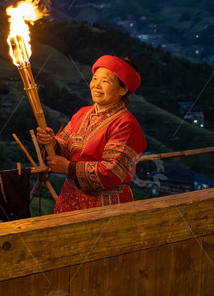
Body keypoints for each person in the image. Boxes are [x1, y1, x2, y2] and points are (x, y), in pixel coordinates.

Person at [36, 55, 146, 213]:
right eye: (95, 79)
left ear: (123, 89)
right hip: (69, 200)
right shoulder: (82, 113)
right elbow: (65, 146)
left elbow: (111, 172)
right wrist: (52, 143)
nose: (96, 86)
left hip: (105, 207)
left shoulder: (126, 124)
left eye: (105, 81)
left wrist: (68, 168)